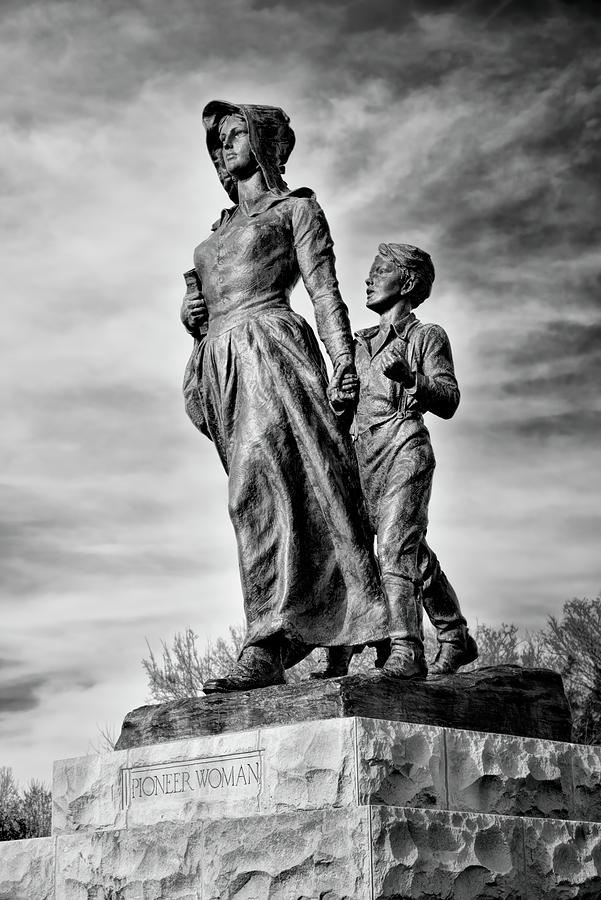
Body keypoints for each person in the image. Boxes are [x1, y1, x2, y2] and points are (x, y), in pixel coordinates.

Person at [180, 100, 387, 693]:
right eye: (216, 140)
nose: (223, 146)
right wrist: (193, 318)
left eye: (235, 133)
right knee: (270, 495)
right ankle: (298, 625)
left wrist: (344, 359)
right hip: (220, 364)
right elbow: (208, 307)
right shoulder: (213, 237)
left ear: (266, 142)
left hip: (273, 348)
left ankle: (270, 638)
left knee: (260, 477)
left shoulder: (295, 210)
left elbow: (324, 291)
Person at [322, 243, 478, 679]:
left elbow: (448, 399)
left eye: (378, 271)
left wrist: (411, 377)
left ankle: (406, 649)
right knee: (408, 551)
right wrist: (338, 398)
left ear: (407, 282)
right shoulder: (358, 345)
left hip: (404, 446)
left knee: (394, 547)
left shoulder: (426, 336)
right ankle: (454, 635)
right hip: (362, 458)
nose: (368, 279)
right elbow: (343, 410)